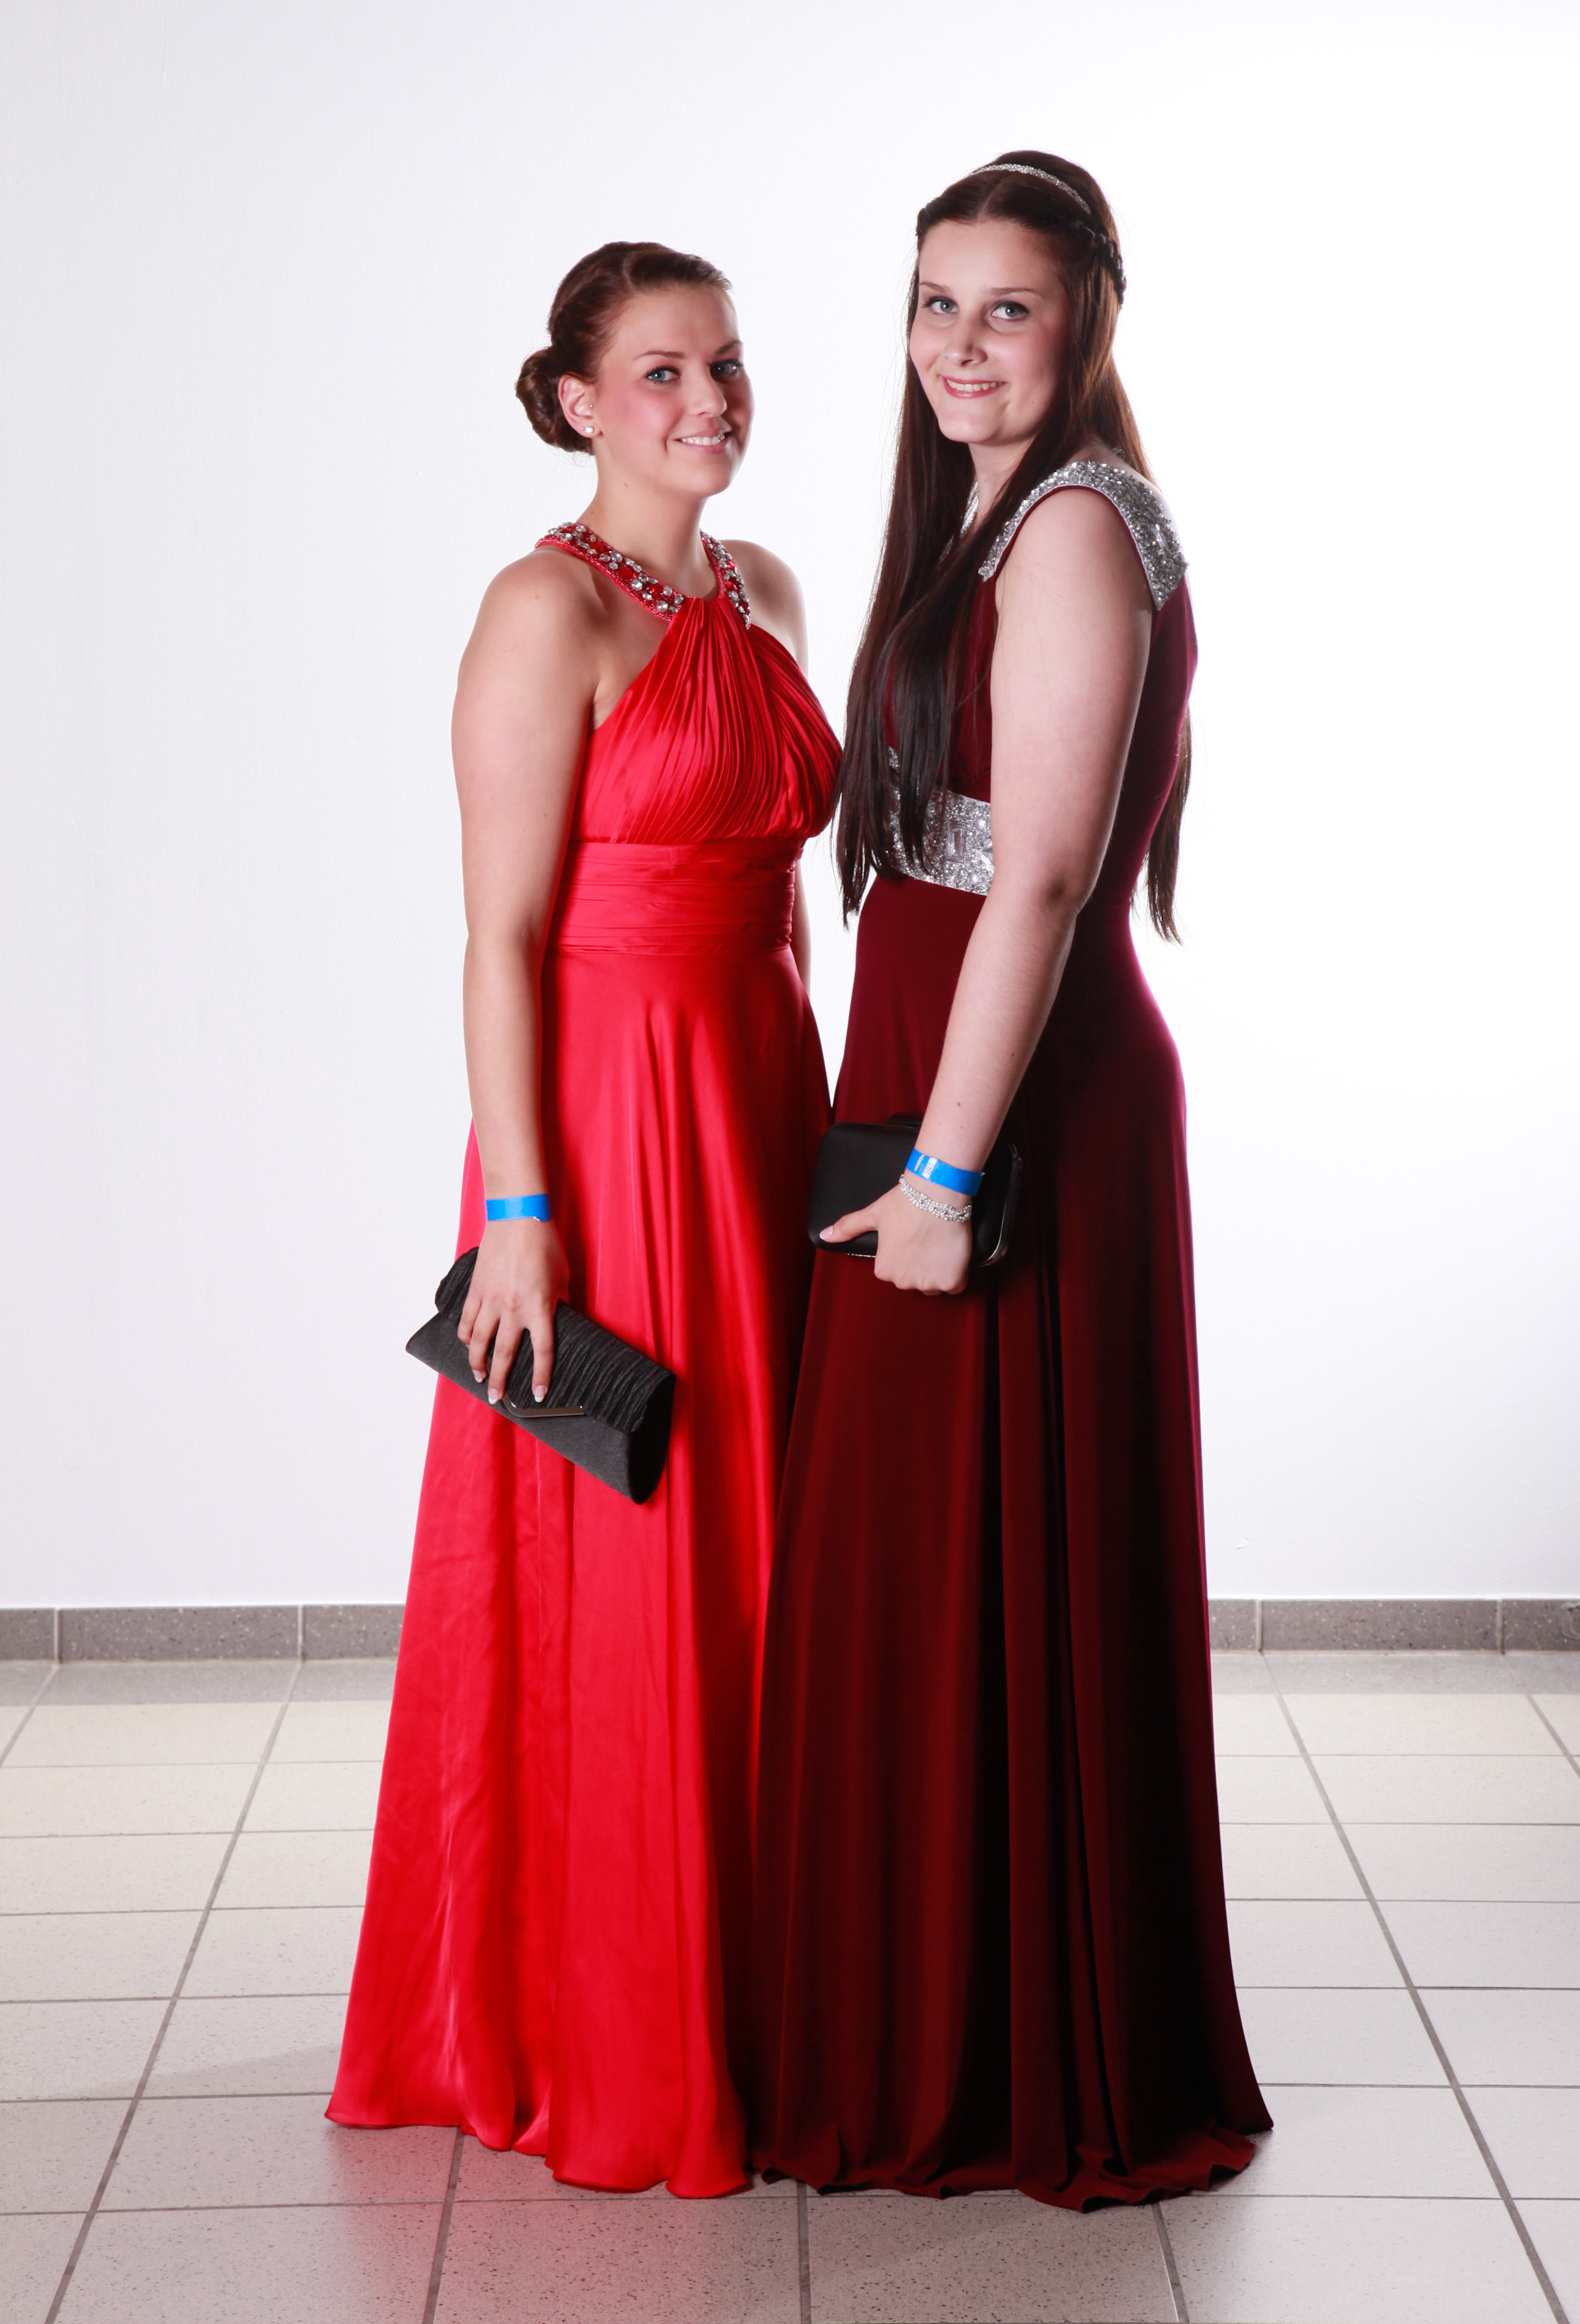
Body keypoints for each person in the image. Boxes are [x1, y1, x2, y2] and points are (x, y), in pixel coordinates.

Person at [750, 157, 1270, 2207]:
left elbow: (1039, 874)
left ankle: (998, 2055)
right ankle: (926, 2016)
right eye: (932, 304)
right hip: (937, 1066)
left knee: (976, 1558)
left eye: (1008, 310)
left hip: (1011, 1102)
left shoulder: (1070, 525)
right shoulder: (985, 509)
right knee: (914, 1561)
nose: (958, 348)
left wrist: (948, 1170)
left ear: (1089, 323)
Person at [329, 242, 840, 2197]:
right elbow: (501, 936)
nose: (709, 402)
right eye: (661, 373)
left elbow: (783, 894)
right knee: (630, 1532)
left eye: (727, 365)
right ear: (573, 400)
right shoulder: (542, 609)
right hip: (606, 1126)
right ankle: (606, 2008)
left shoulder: (765, 588)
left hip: (758, 1093)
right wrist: (522, 1206)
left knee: (771, 1536)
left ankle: (772, 1987)